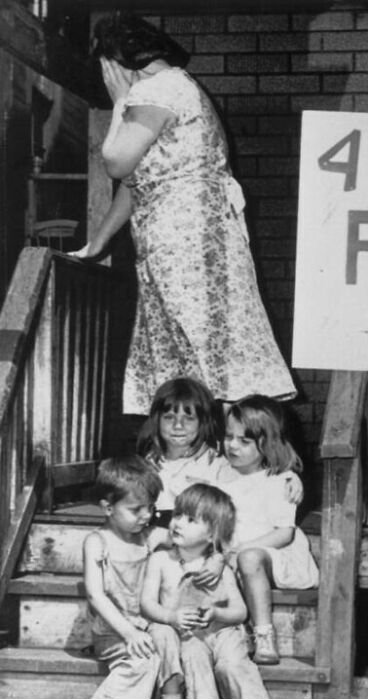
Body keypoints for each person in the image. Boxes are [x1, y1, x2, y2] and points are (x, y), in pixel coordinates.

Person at [72, 12, 296, 414]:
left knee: (198, 346)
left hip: (183, 242)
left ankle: (217, 448)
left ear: (114, 63)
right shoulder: (179, 85)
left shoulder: (156, 91)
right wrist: (98, 243)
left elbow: (118, 164)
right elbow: (137, 183)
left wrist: (119, 99)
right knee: (203, 345)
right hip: (191, 239)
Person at [141, 483, 287, 699]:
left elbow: (240, 611)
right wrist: (171, 617)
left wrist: (217, 614)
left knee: (234, 663)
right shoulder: (161, 560)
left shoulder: (220, 568)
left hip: (222, 632)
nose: (177, 523)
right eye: (177, 515)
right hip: (188, 634)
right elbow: (148, 604)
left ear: (211, 535)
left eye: (190, 520)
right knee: (193, 656)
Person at [72, 455, 187, 699]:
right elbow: (95, 594)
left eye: (150, 507)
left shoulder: (151, 537)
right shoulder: (97, 543)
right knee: (143, 661)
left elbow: (193, 538)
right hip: (114, 631)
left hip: (146, 625)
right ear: (108, 507)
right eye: (136, 509)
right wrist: (128, 632)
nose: (146, 515)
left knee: (169, 638)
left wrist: (215, 560)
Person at [221, 395, 319, 665]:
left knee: (248, 558)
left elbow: (284, 534)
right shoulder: (221, 473)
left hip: (272, 555)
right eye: (229, 436)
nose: (232, 445)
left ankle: (264, 634)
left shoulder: (278, 481)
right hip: (232, 554)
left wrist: (241, 549)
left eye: (244, 441)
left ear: (267, 443)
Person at [137, 376, 302, 526]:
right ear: (156, 420)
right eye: (169, 417)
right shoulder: (146, 464)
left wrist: (289, 477)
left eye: (189, 418)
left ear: (203, 422)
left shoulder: (219, 465)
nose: (178, 426)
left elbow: (256, 483)